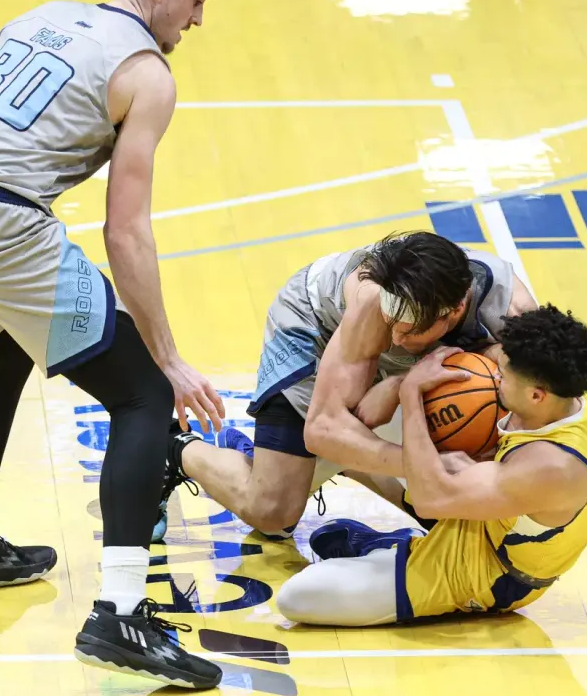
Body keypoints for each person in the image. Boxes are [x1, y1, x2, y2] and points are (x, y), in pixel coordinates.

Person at [0, 0, 228, 689]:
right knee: (143, 395)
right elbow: (126, 230)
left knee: (4, 354)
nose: (196, 21)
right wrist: (169, 357)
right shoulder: (148, 74)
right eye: (196, 1)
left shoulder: (40, 16)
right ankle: (121, 615)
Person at [156, 231, 538, 541]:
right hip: (316, 329)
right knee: (271, 513)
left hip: (408, 363)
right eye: (393, 324)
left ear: (455, 311)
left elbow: (543, 409)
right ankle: (173, 447)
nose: (396, 338)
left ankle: (332, 461)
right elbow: (323, 429)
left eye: (409, 331)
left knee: (459, 512)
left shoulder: (512, 314)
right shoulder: (372, 302)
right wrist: (425, 463)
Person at [273, 304, 587, 627]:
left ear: (537, 395)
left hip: (487, 571)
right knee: (352, 424)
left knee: (297, 597)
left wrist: (410, 392)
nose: (495, 373)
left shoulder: (552, 467)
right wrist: (399, 383)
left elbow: (430, 498)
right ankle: (278, 485)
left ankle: (396, 547)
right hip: (489, 506)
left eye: (504, 375)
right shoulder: (564, 383)